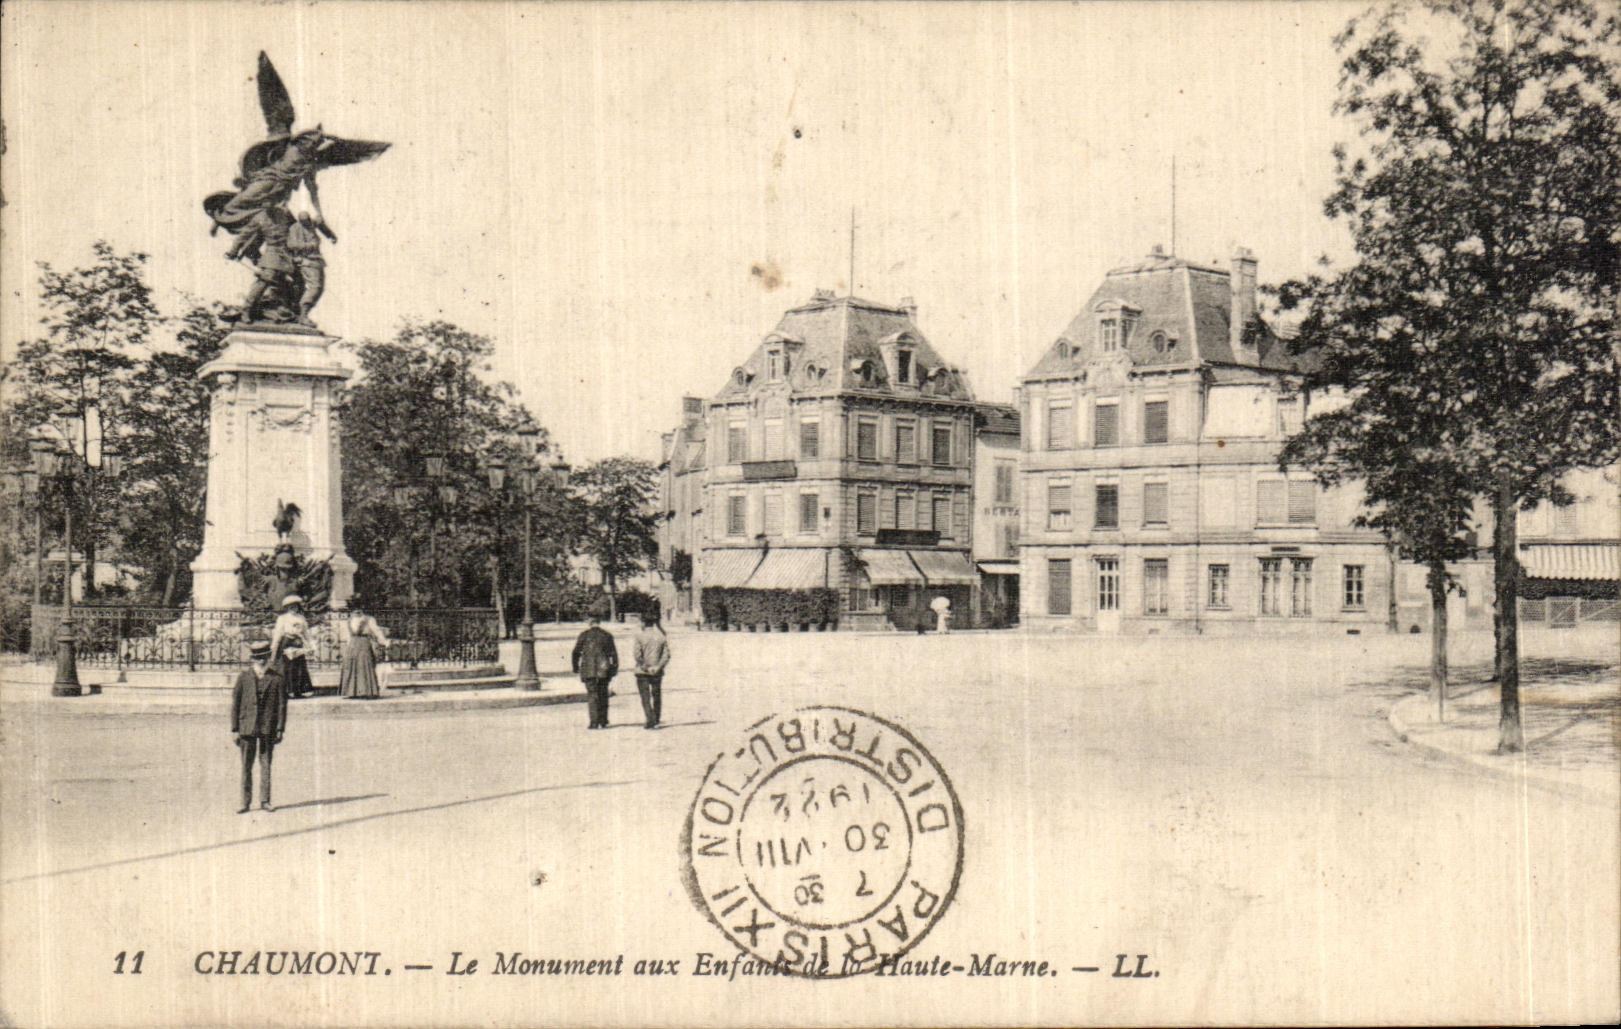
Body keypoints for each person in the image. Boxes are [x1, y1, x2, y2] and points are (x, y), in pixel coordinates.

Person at [232, 640, 287, 813]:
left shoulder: (276, 679)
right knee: (246, 766)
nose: (260, 662)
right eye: (257, 658)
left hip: (267, 727)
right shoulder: (244, 677)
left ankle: (265, 800)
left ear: (268, 658)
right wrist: (235, 729)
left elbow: (281, 706)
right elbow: (236, 704)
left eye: (263, 658)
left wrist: (279, 729)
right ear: (252, 659)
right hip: (247, 726)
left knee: (265, 764)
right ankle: (244, 802)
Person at [572, 613, 619, 730]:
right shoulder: (607, 635)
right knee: (603, 693)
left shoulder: (584, 635)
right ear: (599, 622)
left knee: (592, 695)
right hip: (604, 669)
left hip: (588, 669)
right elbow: (613, 654)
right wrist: (614, 668)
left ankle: (593, 722)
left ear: (589, 622)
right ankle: (603, 720)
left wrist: (575, 667)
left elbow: (575, 652)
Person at [632, 611, 670, 730]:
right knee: (656, 694)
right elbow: (666, 655)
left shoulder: (639, 636)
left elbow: (637, 655)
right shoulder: (661, 637)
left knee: (645, 696)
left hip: (642, 671)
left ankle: (650, 719)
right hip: (657, 671)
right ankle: (656, 718)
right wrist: (658, 666)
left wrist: (645, 666)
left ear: (643, 623)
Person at [271, 595, 313, 698]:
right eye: (290, 607)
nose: (293, 609)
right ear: (287, 608)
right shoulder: (283, 618)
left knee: (299, 667)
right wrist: (274, 646)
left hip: (298, 643)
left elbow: (306, 633)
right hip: (286, 642)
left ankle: (298, 690)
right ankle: (288, 691)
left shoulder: (301, 618)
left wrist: (310, 645)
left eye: (295, 606)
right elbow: (278, 633)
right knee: (288, 667)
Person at [339, 610, 384, 699]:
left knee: (364, 665)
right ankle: (352, 692)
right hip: (353, 644)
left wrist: (383, 641)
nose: (356, 611)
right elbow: (346, 636)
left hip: (363, 644)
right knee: (352, 666)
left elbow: (376, 631)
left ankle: (365, 691)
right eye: (354, 609)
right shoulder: (349, 620)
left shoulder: (368, 619)